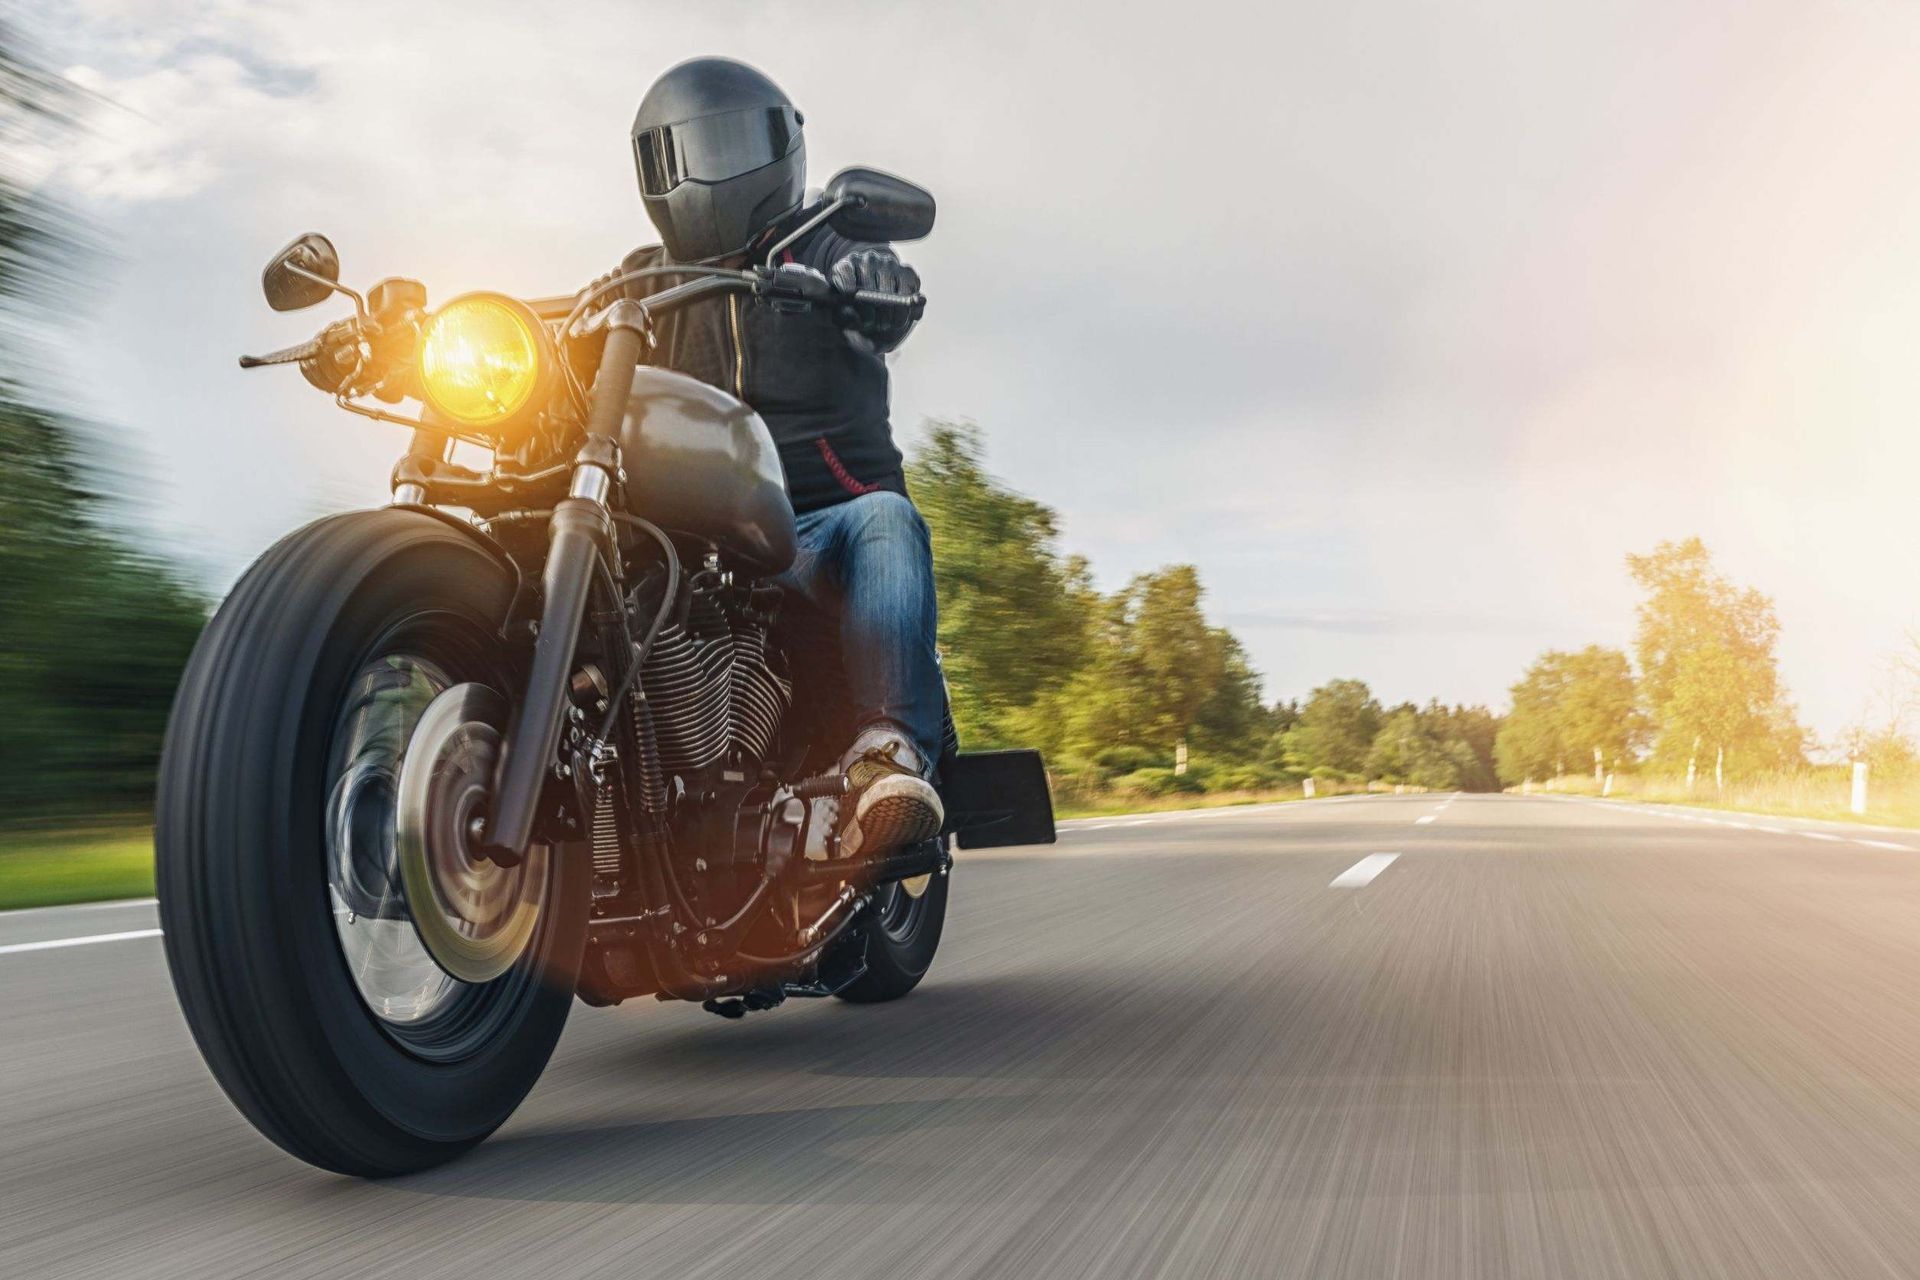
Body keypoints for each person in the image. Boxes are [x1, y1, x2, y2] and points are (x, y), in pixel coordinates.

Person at [607, 55, 943, 857]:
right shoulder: (639, 280)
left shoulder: (824, 247)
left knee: (886, 520)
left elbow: (890, 292)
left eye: (726, 148)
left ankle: (887, 753)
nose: (707, 172)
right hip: (690, 537)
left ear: (778, 150)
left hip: (815, 526)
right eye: (687, 152)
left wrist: (875, 282)